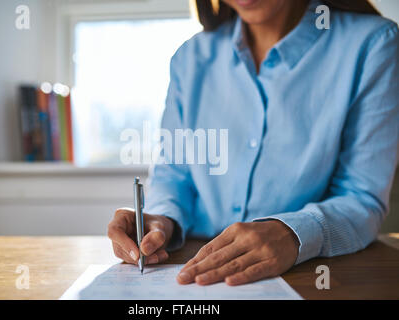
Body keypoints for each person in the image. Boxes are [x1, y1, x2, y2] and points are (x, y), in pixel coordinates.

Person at [108, 0, 399, 286]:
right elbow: (174, 175)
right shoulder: (190, 57)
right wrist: (161, 220)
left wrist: (292, 233)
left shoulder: (373, 43)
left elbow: (362, 197)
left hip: (310, 276)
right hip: (191, 268)